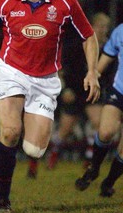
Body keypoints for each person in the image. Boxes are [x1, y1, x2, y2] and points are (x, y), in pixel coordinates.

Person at [0, 0, 100, 213]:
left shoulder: (65, 2)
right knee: (10, 131)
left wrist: (93, 72)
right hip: (10, 72)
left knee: (34, 149)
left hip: (44, 79)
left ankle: (15, 154)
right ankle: (2, 203)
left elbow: (89, 36)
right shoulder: (4, 1)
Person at [27, 12, 112, 177]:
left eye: (105, 27)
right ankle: (50, 154)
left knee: (98, 123)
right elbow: (62, 67)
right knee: (65, 131)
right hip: (74, 90)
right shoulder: (77, 45)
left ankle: (89, 159)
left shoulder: (108, 48)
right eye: (100, 26)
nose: (103, 30)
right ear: (92, 27)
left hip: (92, 90)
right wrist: (65, 88)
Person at [75, 22, 123, 197]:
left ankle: (108, 182)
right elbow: (104, 61)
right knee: (105, 132)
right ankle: (94, 168)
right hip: (119, 91)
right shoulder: (120, 31)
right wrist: (93, 75)